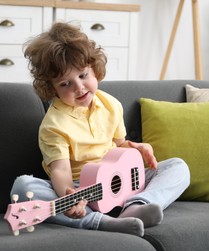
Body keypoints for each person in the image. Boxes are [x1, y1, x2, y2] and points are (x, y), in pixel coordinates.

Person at [10, 22, 190, 237]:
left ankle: (136, 206)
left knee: (177, 167)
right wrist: (71, 197)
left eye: (83, 75)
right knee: (23, 187)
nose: (79, 87)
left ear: (95, 69)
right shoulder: (53, 125)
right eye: (65, 84)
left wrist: (136, 147)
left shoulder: (111, 104)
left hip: (116, 183)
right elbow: (60, 170)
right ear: (52, 88)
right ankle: (100, 221)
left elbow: (118, 145)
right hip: (79, 187)